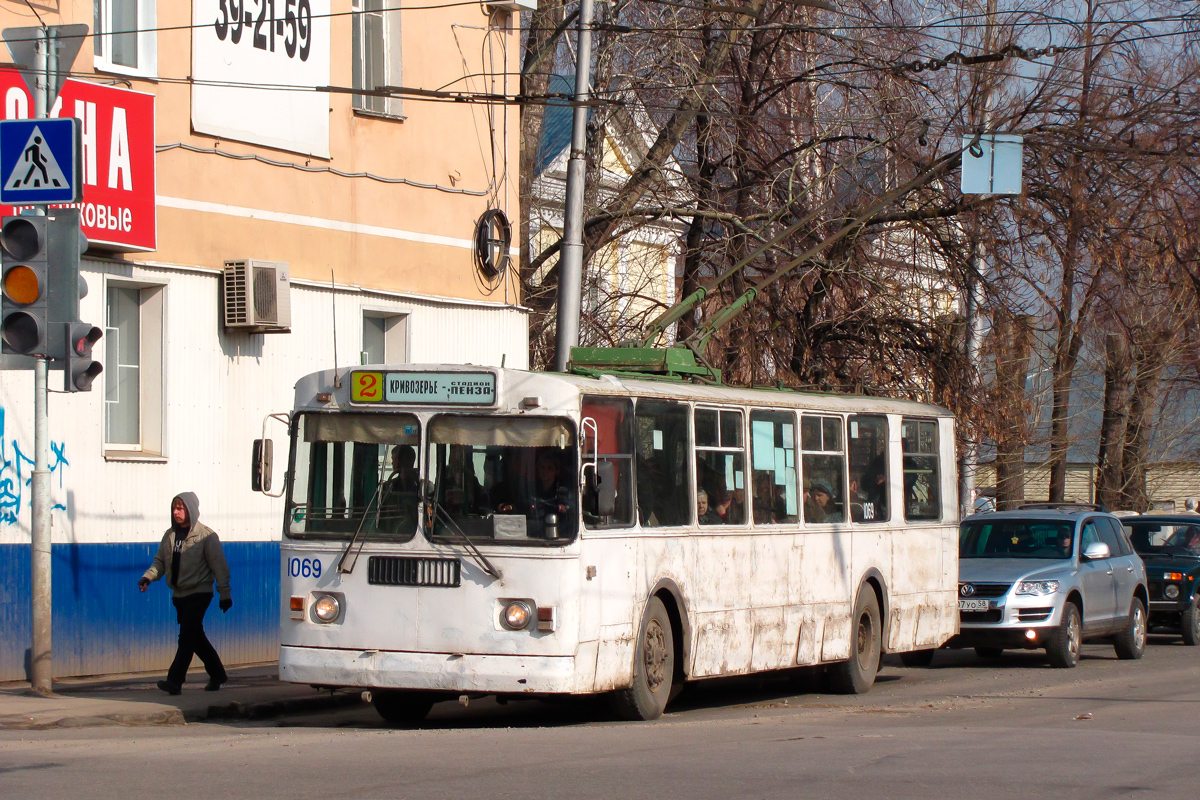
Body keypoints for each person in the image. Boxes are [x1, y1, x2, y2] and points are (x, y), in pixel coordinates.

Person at [138, 492, 231, 695]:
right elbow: (160, 562)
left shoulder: (207, 536)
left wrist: (225, 594)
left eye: (180, 508)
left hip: (199, 593)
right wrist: (148, 577)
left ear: (191, 510)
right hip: (179, 595)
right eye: (174, 508)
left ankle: (175, 680)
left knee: (186, 637)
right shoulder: (170, 535)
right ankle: (218, 674)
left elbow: (220, 567)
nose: (176, 512)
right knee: (196, 637)